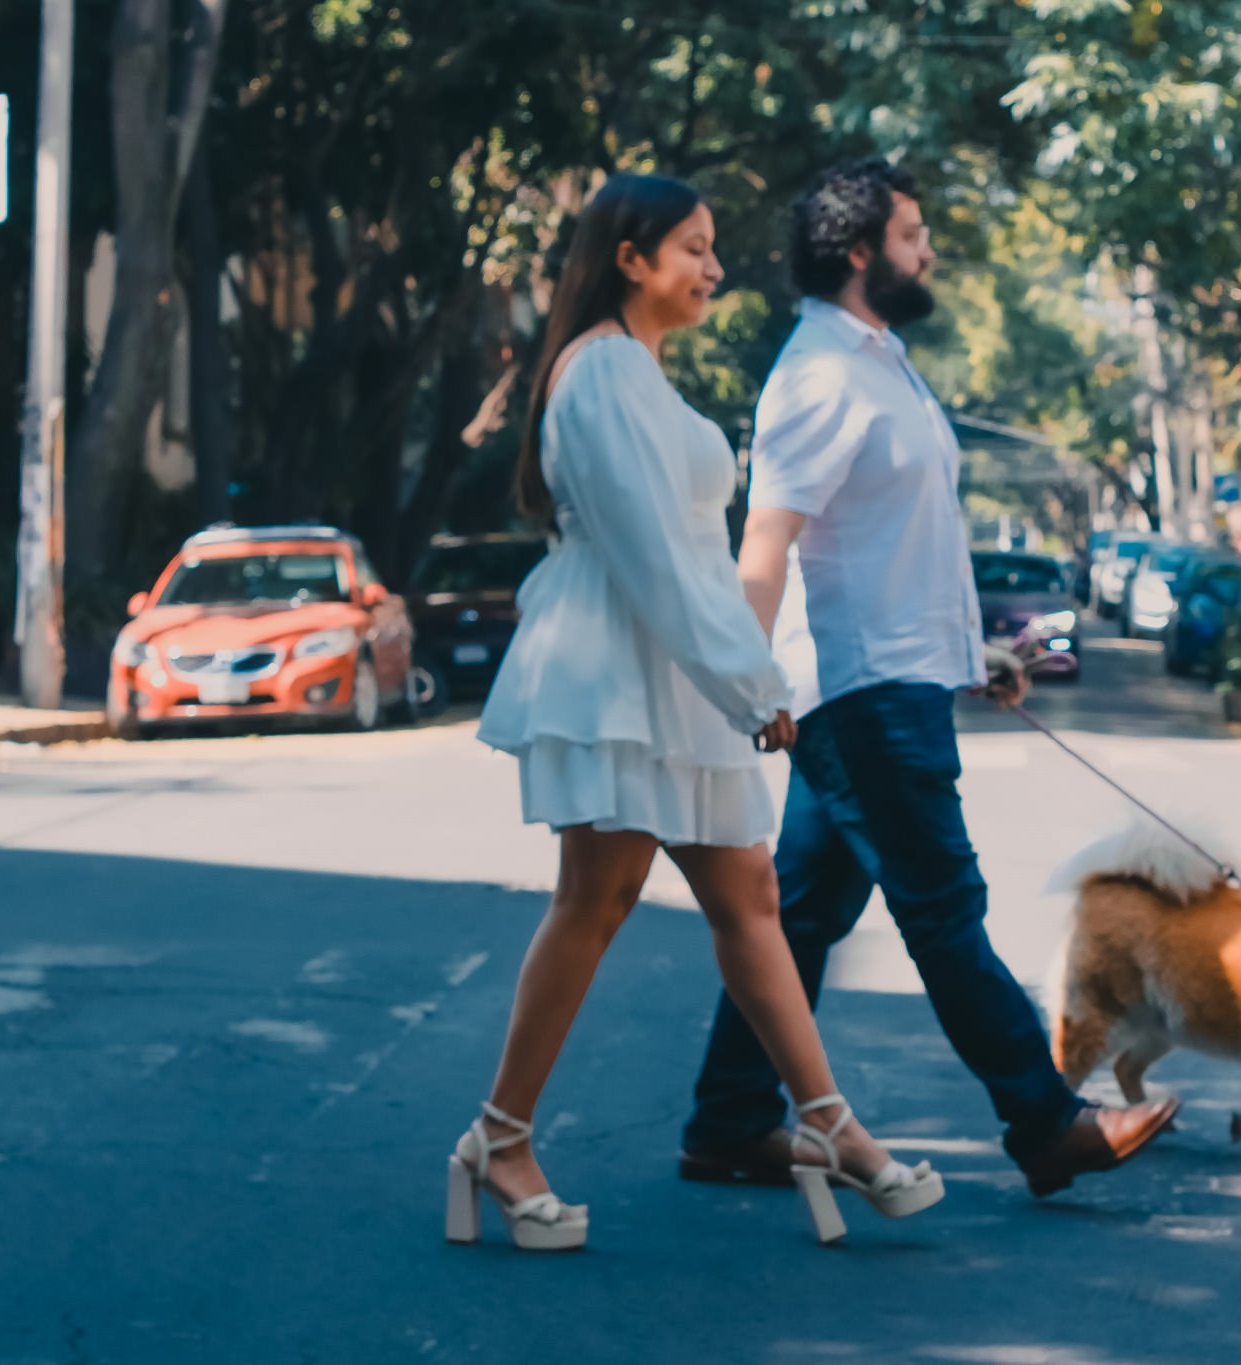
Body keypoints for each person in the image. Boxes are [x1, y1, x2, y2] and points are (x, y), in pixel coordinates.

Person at [679, 158, 1178, 1198]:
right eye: (911, 235)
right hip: (860, 698)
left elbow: (905, 544)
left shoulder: (878, 361)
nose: (927, 250)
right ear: (859, 251)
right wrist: (748, 682)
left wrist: (970, 655)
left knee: (802, 915)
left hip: (894, 682)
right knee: (943, 910)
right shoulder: (817, 377)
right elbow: (765, 545)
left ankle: (727, 1122)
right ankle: (1044, 1125)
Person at [461, 174, 940, 1252]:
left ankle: (828, 1125)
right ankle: (500, 1137)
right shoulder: (598, 375)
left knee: (751, 896)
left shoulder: (644, 376)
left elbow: (687, 558)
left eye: (712, 247)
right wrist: (751, 682)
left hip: (674, 660)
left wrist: (735, 672)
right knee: (598, 897)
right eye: (691, 247)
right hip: (620, 656)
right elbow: (649, 556)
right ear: (629, 257)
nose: (714, 269)